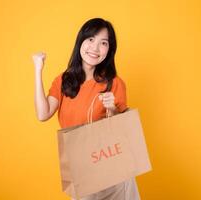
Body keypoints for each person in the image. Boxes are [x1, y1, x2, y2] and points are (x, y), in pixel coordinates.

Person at [33, 18, 140, 200]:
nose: (95, 48)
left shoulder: (115, 83)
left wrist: (112, 109)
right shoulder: (63, 80)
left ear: (109, 50)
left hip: (113, 169)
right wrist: (38, 70)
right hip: (81, 166)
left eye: (103, 43)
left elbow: (122, 133)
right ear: (81, 41)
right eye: (91, 39)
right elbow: (43, 114)